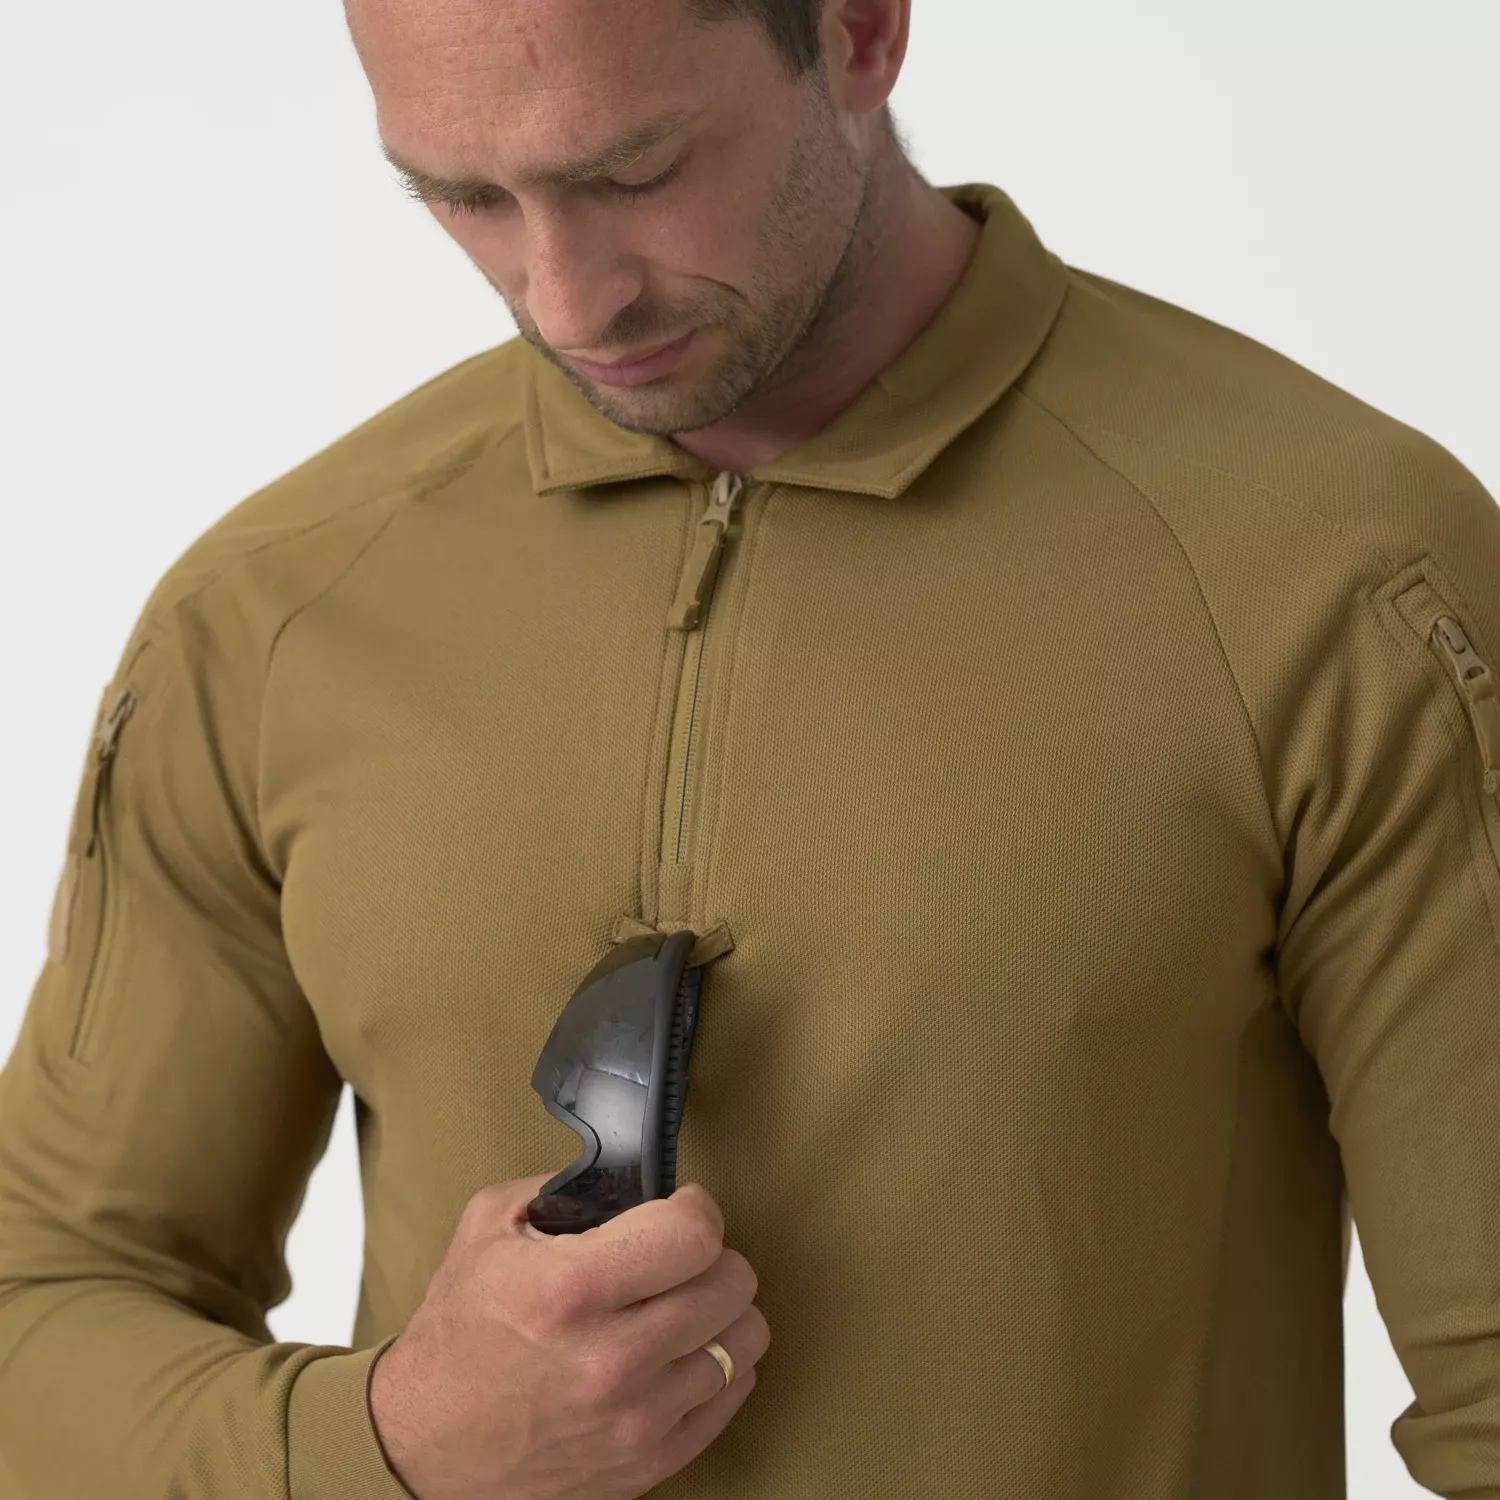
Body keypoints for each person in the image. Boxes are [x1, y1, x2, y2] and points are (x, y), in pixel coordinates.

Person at [0, 0, 1497, 1496]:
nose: (567, 301)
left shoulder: (1339, 577)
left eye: (634, 171)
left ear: (859, 32)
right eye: (463, 197)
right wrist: (394, 1440)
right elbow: (42, 1310)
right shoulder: (275, 611)